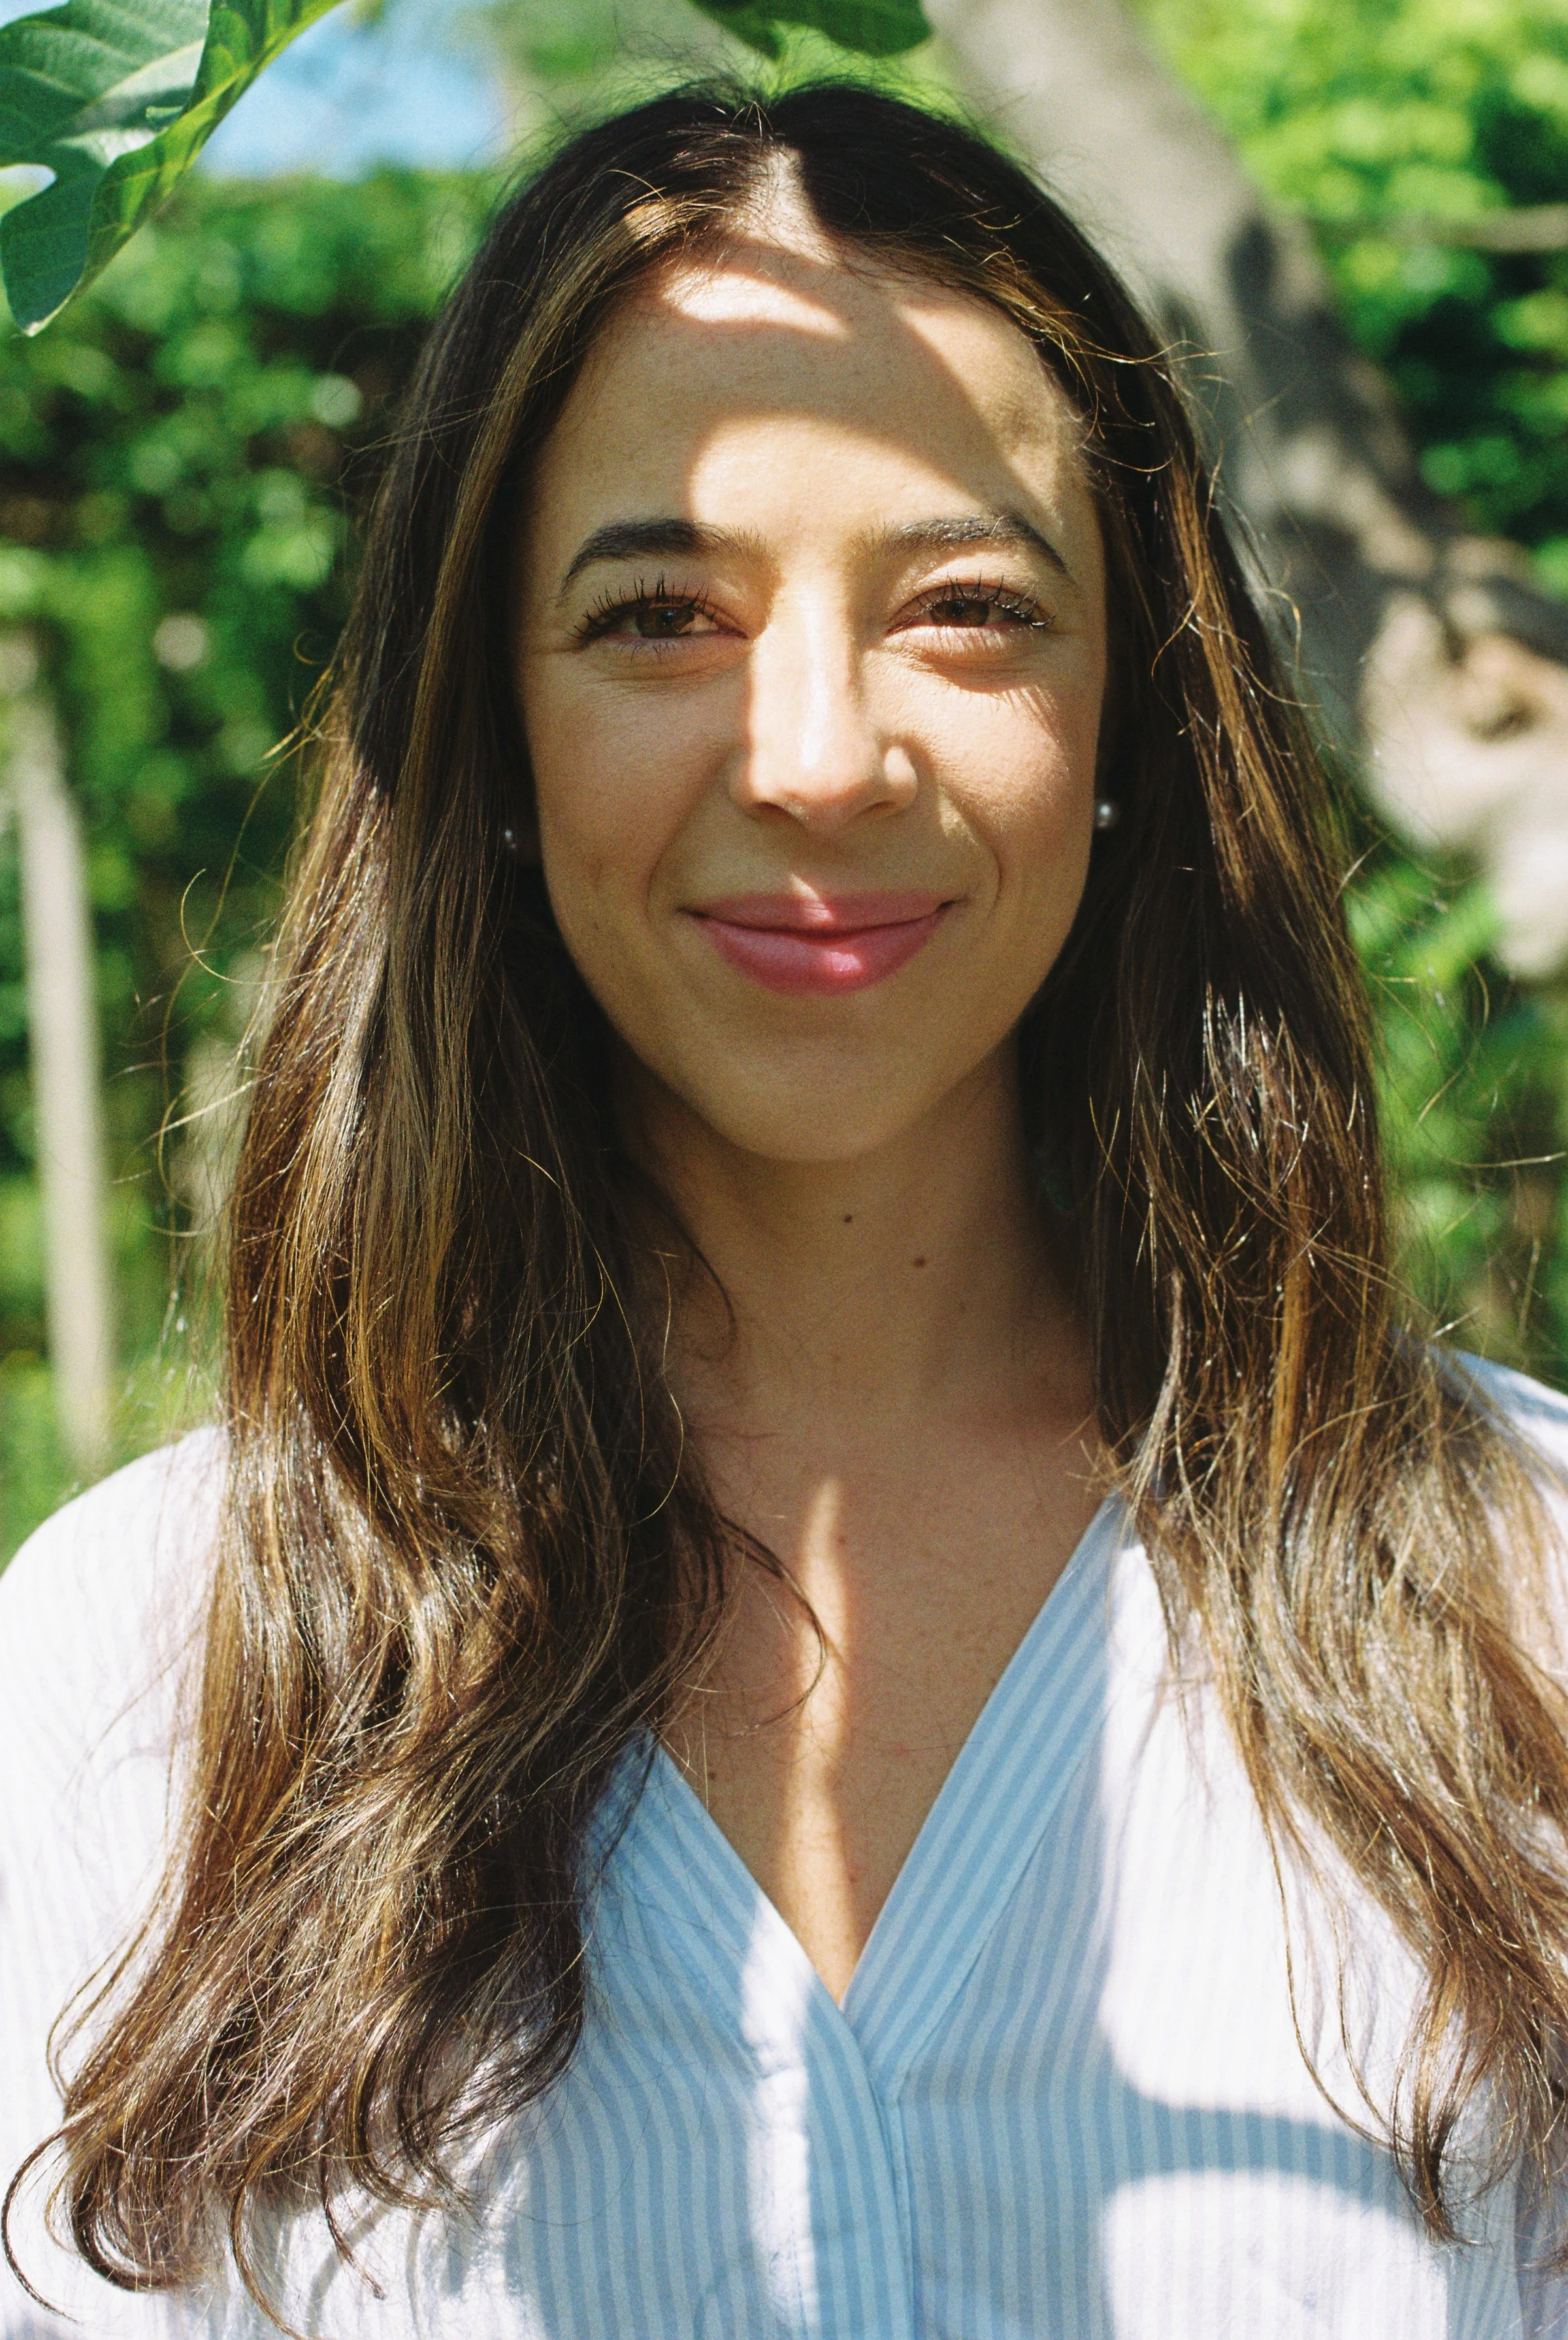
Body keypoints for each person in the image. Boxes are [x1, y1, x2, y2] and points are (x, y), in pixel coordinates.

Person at [4, 78, 1568, 2340]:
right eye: (662, 614)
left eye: (965, 604)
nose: (818, 750)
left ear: (1128, 702)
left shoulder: (1518, 1605)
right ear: (495, 725)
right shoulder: (145, 1680)